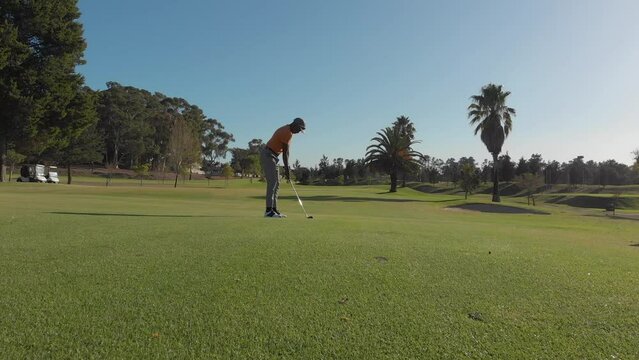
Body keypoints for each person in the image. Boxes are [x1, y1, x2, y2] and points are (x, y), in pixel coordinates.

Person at [260, 117, 306, 218]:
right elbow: (285, 153)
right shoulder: (287, 132)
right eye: (299, 129)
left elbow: (285, 153)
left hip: (273, 156)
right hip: (268, 154)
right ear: (295, 125)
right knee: (272, 182)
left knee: (277, 183)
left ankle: (274, 210)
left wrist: (286, 169)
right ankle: (268, 211)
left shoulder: (289, 131)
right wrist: (287, 170)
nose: (299, 132)